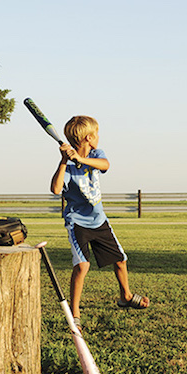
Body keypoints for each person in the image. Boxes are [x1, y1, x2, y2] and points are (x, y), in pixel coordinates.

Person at [50, 116, 149, 330]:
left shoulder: (96, 154)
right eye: (96, 134)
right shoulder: (67, 167)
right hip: (78, 223)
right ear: (89, 137)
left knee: (121, 260)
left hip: (99, 221)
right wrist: (64, 161)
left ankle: (125, 296)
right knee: (82, 265)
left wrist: (80, 158)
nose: (98, 137)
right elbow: (56, 189)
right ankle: (74, 314)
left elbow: (105, 165)